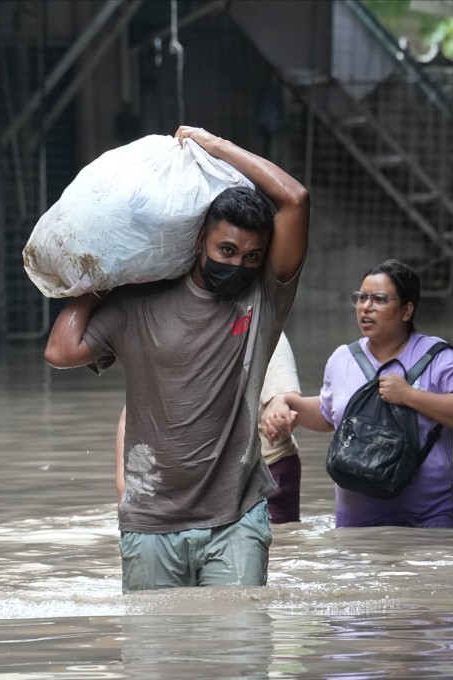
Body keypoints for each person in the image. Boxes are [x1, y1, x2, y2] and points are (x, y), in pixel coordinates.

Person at [44, 126, 309, 592]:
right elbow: (61, 351)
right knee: (158, 658)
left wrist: (218, 146)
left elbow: (295, 200)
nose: (239, 265)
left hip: (237, 516)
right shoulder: (137, 304)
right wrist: (103, 274)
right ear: (198, 241)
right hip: (150, 520)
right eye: (226, 250)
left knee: (241, 657)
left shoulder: (263, 297)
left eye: (252, 256)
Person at [261, 259, 453, 528]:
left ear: (406, 310)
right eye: (361, 298)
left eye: (379, 299)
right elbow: (328, 415)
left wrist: (409, 396)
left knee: (430, 572)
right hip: (356, 522)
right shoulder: (343, 358)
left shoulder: (440, 358)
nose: (366, 307)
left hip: (427, 518)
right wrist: (284, 402)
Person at [114, 332, 303, 523]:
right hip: (190, 478)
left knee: (275, 544)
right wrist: (127, 492)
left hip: (262, 469)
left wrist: (280, 411)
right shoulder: (168, 330)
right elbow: (133, 414)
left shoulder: (260, 324)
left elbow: (286, 397)